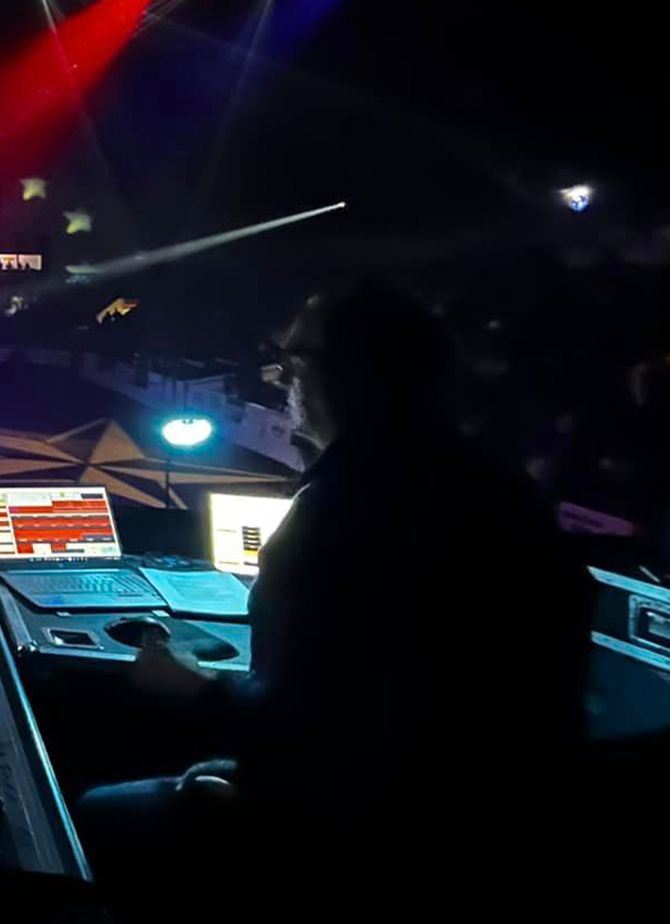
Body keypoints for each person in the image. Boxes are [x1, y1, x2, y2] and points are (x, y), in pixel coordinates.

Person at [76, 283, 589, 914]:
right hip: (498, 831)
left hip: (360, 839)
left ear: (342, 375)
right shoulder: (497, 485)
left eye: (293, 361)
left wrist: (192, 685)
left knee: (91, 815)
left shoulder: (341, 512)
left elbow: (308, 725)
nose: (281, 378)